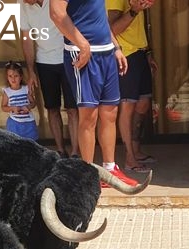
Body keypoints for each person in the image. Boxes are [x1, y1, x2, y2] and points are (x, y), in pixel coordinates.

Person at [49, 0, 138, 187]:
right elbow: (56, 14)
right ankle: (88, 175)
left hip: (106, 53)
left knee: (110, 112)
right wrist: (82, 44)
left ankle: (109, 169)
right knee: (89, 116)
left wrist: (115, 46)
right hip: (81, 54)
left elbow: (101, 16)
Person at [21, 0, 80, 157]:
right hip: (44, 62)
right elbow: (26, 38)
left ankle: (75, 152)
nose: (25, 1)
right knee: (52, 108)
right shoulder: (22, 4)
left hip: (68, 58)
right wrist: (31, 71)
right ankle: (60, 151)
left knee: (73, 109)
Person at [107, 0, 157, 173]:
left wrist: (149, 52)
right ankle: (129, 157)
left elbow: (142, 28)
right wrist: (134, 11)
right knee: (127, 107)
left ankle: (136, 149)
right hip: (126, 54)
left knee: (143, 103)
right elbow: (112, 29)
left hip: (140, 53)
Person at [2, 61, 39, 141]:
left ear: (21, 76)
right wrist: (12, 108)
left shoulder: (26, 89)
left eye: (16, 76)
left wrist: (28, 106)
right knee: (14, 143)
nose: (13, 79)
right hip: (14, 123)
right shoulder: (7, 91)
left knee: (31, 143)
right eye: (10, 76)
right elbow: (3, 107)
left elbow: (33, 103)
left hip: (28, 122)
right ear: (7, 77)